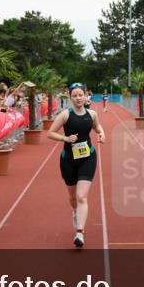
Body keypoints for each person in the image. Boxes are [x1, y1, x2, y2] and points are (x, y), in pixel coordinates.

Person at [47, 83, 106, 248]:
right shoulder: (65, 115)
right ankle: (75, 212)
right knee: (73, 197)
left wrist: (102, 133)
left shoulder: (92, 114)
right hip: (68, 160)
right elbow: (50, 133)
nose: (78, 98)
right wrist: (65, 139)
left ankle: (79, 233)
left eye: (81, 95)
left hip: (88, 157)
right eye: (75, 95)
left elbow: (97, 127)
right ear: (70, 97)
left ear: (86, 96)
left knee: (81, 197)